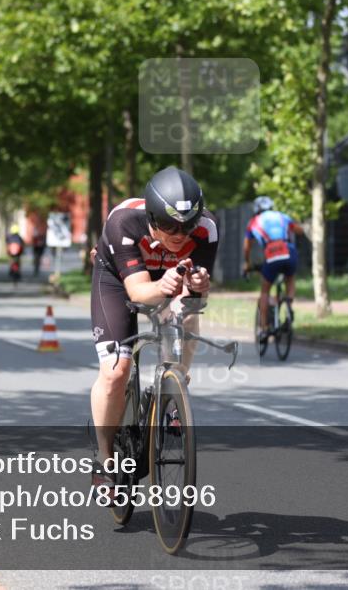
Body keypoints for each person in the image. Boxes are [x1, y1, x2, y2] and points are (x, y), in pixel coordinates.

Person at [89, 166, 217, 490]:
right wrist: (164, 287)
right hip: (119, 280)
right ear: (150, 216)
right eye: (169, 225)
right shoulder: (124, 222)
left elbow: (193, 300)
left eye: (187, 226)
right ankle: (104, 459)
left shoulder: (207, 230)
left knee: (186, 313)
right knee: (116, 370)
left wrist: (198, 286)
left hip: (165, 277)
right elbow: (139, 293)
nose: (179, 233)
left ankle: (175, 386)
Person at [243, 196, 304, 335]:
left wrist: (247, 263)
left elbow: (247, 246)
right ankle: (289, 305)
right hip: (288, 250)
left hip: (272, 253)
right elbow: (299, 230)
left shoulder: (253, 222)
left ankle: (264, 327)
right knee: (290, 277)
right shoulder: (282, 216)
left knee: (265, 291)